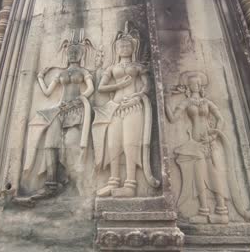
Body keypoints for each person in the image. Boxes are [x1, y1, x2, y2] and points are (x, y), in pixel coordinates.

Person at [165, 71, 250, 224]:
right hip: (195, 144)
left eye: (198, 83)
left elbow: (220, 119)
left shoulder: (207, 102)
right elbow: (172, 118)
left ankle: (222, 211)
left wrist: (213, 136)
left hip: (210, 141)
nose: (196, 86)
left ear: (201, 85)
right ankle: (204, 211)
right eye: (192, 84)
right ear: (188, 86)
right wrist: (165, 98)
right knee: (199, 177)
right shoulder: (187, 103)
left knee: (215, 175)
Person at [22, 30, 94, 200]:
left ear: (81, 54)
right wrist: (40, 77)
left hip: (76, 109)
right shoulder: (61, 73)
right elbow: (47, 92)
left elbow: (90, 88)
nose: (73, 54)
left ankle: (75, 182)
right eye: (70, 52)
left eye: (76, 52)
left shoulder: (83, 72)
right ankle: (51, 184)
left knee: (71, 145)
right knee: (50, 145)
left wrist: (82, 98)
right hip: (60, 110)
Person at [93, 21, 159, 198]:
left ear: (133, 48)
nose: (123, 48)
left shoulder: (138, 67)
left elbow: (147, 86)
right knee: (113, 144)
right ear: (116, 49)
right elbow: (101, 87)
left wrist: (137, 96)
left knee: (130, 144)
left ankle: (130, 184)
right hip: (115, 108)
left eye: (127, 45)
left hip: (134, 107)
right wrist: (119, 85)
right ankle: (113, 180)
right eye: (120, 46)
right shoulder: (112, 68)